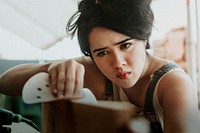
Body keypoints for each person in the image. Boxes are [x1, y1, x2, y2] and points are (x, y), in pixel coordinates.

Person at [0, 0, 199, 132]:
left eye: (126, 45)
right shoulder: (94, 71)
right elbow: (5, 81)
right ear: (91, 55)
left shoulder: (173, 84)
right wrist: (54, 69)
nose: (118, 62)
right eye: (102, 52)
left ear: (144, 39)